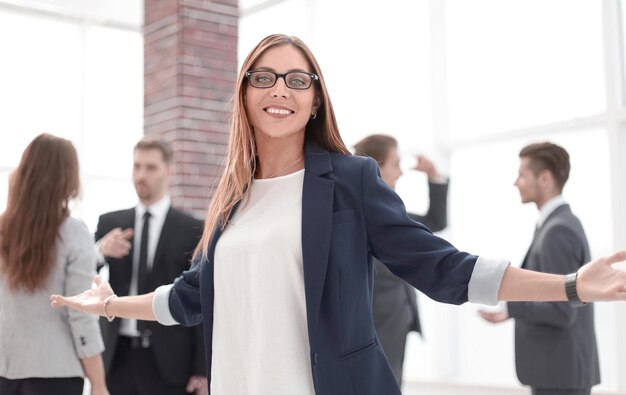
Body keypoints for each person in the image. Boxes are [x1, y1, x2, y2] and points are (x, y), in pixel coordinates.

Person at [51, 34, 626, 395]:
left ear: (315, 98)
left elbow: (443, 266)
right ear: (245, 93)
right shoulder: (232, 199)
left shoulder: (350, 181)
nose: (282, 88)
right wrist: (107, 305)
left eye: (298, 79)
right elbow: (188, 297)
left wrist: (571, 285)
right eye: (265, 77)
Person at [479, 142, 600, 395]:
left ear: (544, 178)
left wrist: (510, 305)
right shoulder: (556, 225)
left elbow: (562, 308)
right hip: (561, 372)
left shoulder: (558, 231)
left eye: (522, 175)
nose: (516, 182)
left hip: (559, 375)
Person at [94, 138, 206, 395]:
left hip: (170, 360)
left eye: (151, 167)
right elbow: (82, 276)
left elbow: (199, 299)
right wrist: (100, 252)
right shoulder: (110, 222)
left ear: (169, 171)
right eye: (137, 166)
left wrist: (201, 367)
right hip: (116, 355)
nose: (141, 175)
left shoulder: (192, 228)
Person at [0, 134, 108, 395]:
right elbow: (80, 312)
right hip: (55, 373)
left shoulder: (3, 229)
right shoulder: (74, 233)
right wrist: (99, 382)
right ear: (67, 177)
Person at [353, 134, 448, 385]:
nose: (401, 172)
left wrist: (433, 175)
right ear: (375, 167)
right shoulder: (353, 214)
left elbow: (435, 222)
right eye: (396, 164)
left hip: (397, 320)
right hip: (373, 324)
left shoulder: (392, 213)